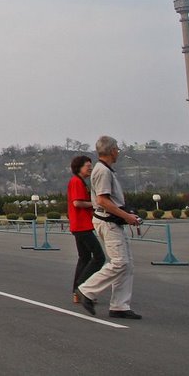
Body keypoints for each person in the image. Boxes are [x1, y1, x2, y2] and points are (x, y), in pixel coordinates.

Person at [75, 136, 143, 319]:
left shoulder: (104, 170)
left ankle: (120, 306)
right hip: (108, 222)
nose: (118, 152)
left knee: (127, 264)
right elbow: (103, 200)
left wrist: (126, 212)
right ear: (112, 150)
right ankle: (86, 290)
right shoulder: (103, 171)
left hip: (111, 221)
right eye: (117, 149)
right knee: (120, 262)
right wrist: (127, 216)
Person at [68, 155, 105, 303]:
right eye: (87, 166)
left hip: (80, 225)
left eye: (91, 166)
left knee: (84, 258)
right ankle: (82, 288)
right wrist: (95, 203)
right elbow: (77, 203)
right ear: (79, 168)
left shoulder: (81, 182)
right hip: (82, 225)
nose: (90, 169)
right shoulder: (76, 182)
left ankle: (77, 291)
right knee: (99, 257)